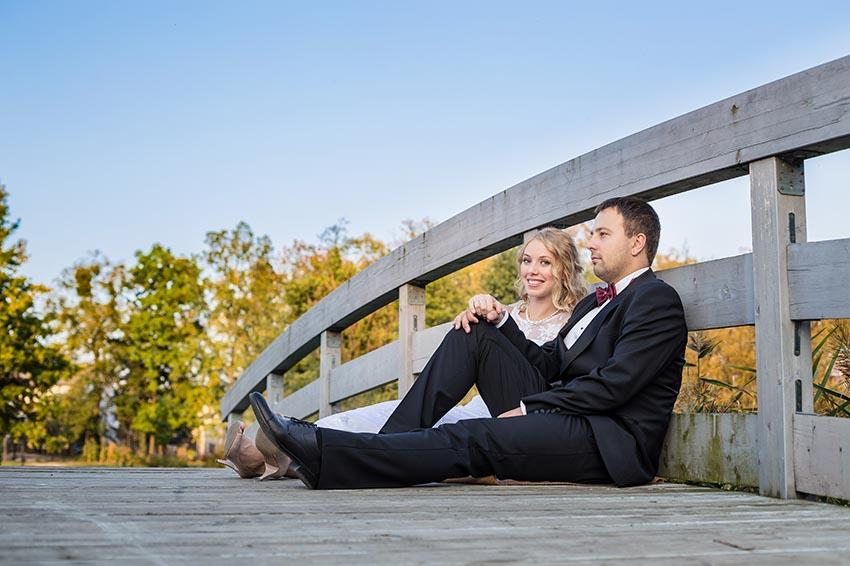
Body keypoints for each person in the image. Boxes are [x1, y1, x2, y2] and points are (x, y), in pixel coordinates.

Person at [252, 196, 688, 490]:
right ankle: (379, 444)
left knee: (475, 436)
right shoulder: (594, 301)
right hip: (562, 408)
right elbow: (550, 363)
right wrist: (501, 324)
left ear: (637, 243)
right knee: (474, 332)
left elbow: (617, 384)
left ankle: (332, 458)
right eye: (591, 233)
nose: (590, 242)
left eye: (602, 234)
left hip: (605, 438)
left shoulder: (655, 300)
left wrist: (535, 407)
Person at [219, 227, 585, 479]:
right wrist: (471, 319)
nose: (532, 270)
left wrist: (485, 332)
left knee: (422, 426)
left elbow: (558, 375)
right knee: (391, 412)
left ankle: (281, 456)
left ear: (564, 268)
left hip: (524, 413)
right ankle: (282, 450)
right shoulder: (506, 311)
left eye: (545, 262)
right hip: (481, 406)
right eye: (526, 260)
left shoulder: (576, 317)